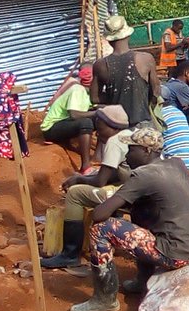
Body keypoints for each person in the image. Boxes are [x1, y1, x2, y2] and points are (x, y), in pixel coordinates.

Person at [70, 127, 189, 311]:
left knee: (101, 229)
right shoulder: (176, 164)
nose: (126, 156)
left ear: (146, 151)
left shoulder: (144, 175)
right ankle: (143, 280)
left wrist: (112, 200)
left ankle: (104, 299)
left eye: (131, 149)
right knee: (140, 211)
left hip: (176, 251)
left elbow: (99, 215)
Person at [41, 105, 133, 269]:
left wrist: (78, 180)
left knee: (75, 195)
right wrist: (84, 177)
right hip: (135, 188)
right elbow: (115, 173)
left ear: (111, 125)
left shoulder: (115, 141)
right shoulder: (128, 135)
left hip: (129, 194)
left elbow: (100, 182)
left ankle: (70, 254)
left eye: (100, 125)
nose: (97, 131)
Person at [92, 16, 162, 127]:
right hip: (143, 123)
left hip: (116, 125)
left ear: (108, 39)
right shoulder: (145, 59)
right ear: (128, 35)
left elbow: (94, 98)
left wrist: (114, 95)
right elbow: (156, 91)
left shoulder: (100, 65)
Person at [40, 63, 97, 173]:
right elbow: (74, 115)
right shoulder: (77, 89)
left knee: (100, 118)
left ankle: (98, 156)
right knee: (86, 122)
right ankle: (85, 167)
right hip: (51, 128)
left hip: (65, 123)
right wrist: (98, 112)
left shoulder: (88, 92)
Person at [161, 62, 189, 130]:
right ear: (187, 73)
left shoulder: (172, 82)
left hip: (165, 117)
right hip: (174, 120)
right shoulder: (182, 86)